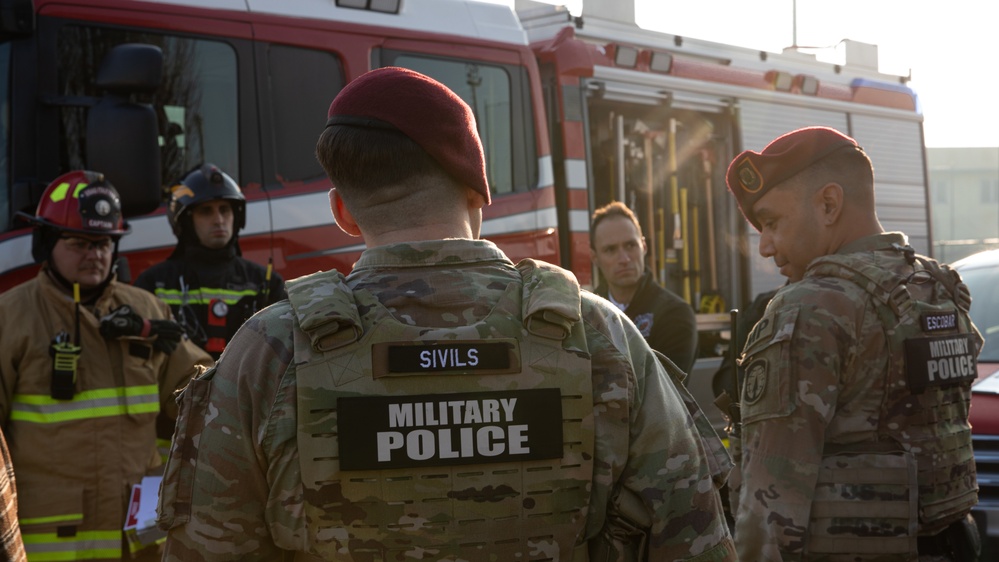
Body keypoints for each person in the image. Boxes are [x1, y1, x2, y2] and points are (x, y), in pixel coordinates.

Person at [158, 67, 736, 561]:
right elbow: (694, 539)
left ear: (343, 212)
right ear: (479, 189)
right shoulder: (600, 335)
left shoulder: (268, 351)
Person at [725, 126, 982, 561]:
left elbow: (771, 503)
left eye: (771, 222)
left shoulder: (809, 308)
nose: (765, 246)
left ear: (828, 204)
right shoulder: (939, 287)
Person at [0, 171, 213, 561]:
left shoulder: (147, 311)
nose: (94, 254)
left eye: (103, 243)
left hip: (140, 542)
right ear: (46, 243)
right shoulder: (11, 317)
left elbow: (202, 403)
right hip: (50, 543)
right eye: (79, 243)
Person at [134, 163, 286, 360]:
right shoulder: (154, 283)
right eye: (206, 211)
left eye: (225, 210)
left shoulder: (265, 283)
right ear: (187, 222)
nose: (218, 220)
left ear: (236, 217)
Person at [590, 201, 699, 374]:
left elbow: (663, 389)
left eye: (630, 245)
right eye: (610, 250)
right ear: (595, 258)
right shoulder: (585, 316)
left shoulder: (675, 314)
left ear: (644, 246)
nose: (624, 258)